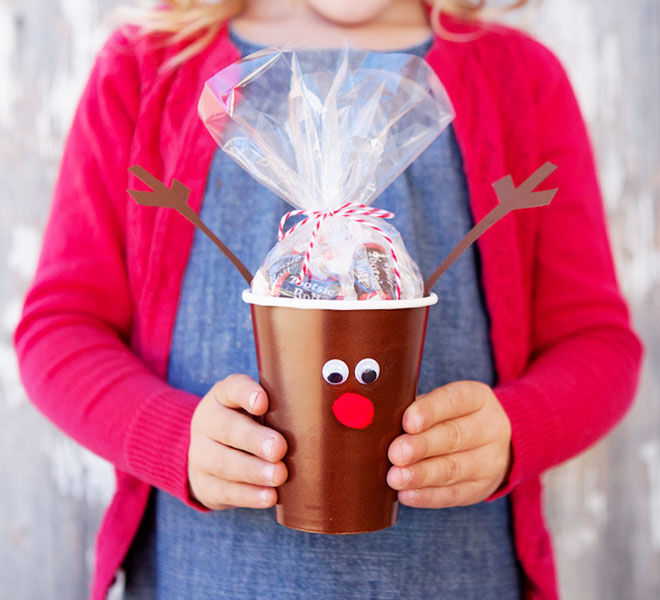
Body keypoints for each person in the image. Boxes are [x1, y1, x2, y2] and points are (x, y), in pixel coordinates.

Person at [14, 1, 642, 599]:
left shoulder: (517, 79)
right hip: (202, 575)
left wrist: (514, 430)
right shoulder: (147, 68)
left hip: (458, 575)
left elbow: (597, 343)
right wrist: (171, 437)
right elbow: (60, 327)